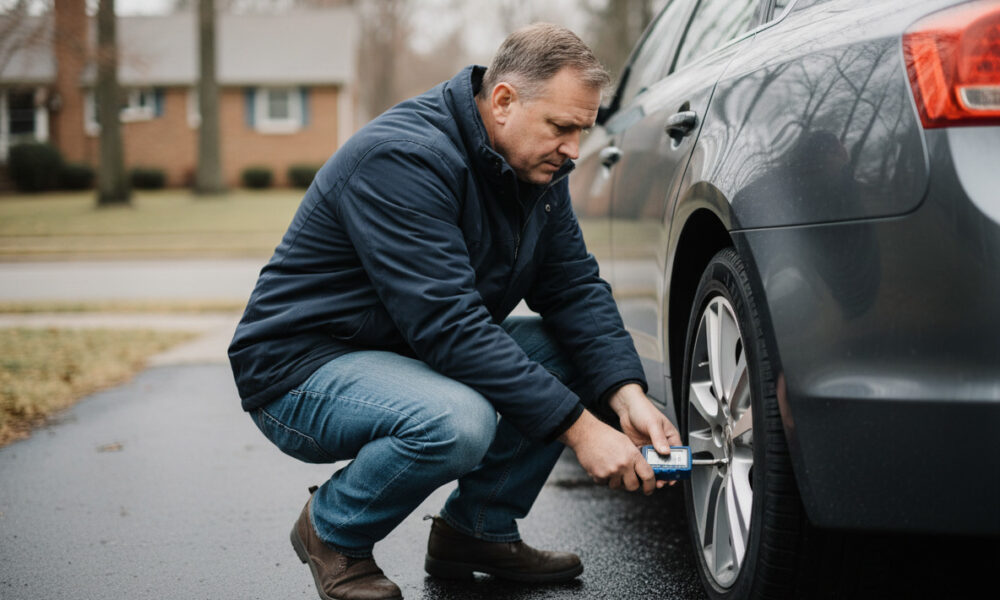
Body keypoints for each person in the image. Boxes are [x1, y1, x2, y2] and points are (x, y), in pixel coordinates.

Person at [228, 23, 681, 600]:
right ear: (503, 100)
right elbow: (450, 327)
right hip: (299, 369)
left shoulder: (534, 167)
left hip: (403, 350)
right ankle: (332, 532)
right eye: (562, 128)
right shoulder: (403, 158)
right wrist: (583, 431)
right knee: (456, 421)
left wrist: (625, 395)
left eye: (582, 131)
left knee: (576, 356)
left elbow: (571, 287)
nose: (574, 150)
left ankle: (478, 531)